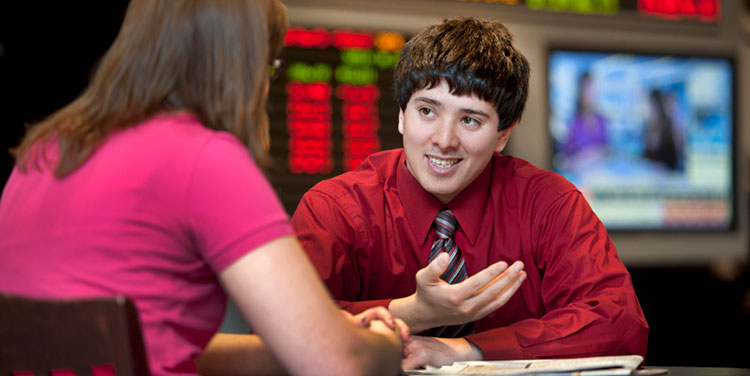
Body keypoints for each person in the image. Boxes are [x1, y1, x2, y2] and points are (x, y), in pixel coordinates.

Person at [0, 1, 407, 375]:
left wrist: (308, 339)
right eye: (270, 65)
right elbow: (338, 366)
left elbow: (147, 350)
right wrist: (385, 343)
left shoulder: (46, 150)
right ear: (245, 66)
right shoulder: (204, 158)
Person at [291, 17, 649, 369]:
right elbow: (283, 331)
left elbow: (620, 325)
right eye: (427, 111)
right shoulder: (335, 208)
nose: (444, 141)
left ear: (503, 135)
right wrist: (412, 312)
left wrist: (463, 349)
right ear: (402, 115)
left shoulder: (549, 203)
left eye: (470, 120)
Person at [561, 71, 609, 164]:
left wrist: (597, 153)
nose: (591, 93)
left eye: (593, 88)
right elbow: (564, 157)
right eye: (587, 88)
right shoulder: (573, 121)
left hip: (601, 172)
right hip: (578, 174)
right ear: (580, 91)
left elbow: (608, 149)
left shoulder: (602, 120)